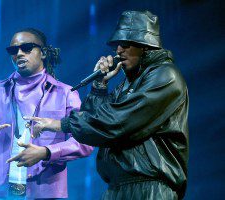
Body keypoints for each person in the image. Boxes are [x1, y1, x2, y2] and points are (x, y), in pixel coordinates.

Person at [26, 11, 189, 199]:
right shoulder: (127, 85)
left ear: (145, 46)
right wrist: (99, 86)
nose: (118, 50)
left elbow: (116, 122)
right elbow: (95, 130)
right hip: (118, 187)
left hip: (149, 187)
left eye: (125, 44)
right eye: (116, 45)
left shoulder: (165, 76)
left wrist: (60, 124)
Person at [0, 28, 93, 199]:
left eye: (27, 48)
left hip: (46, 194)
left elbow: (86, 140)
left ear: (43, 53)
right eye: (13, 50)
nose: (19, 53)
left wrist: (46, 152)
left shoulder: (65, 93)